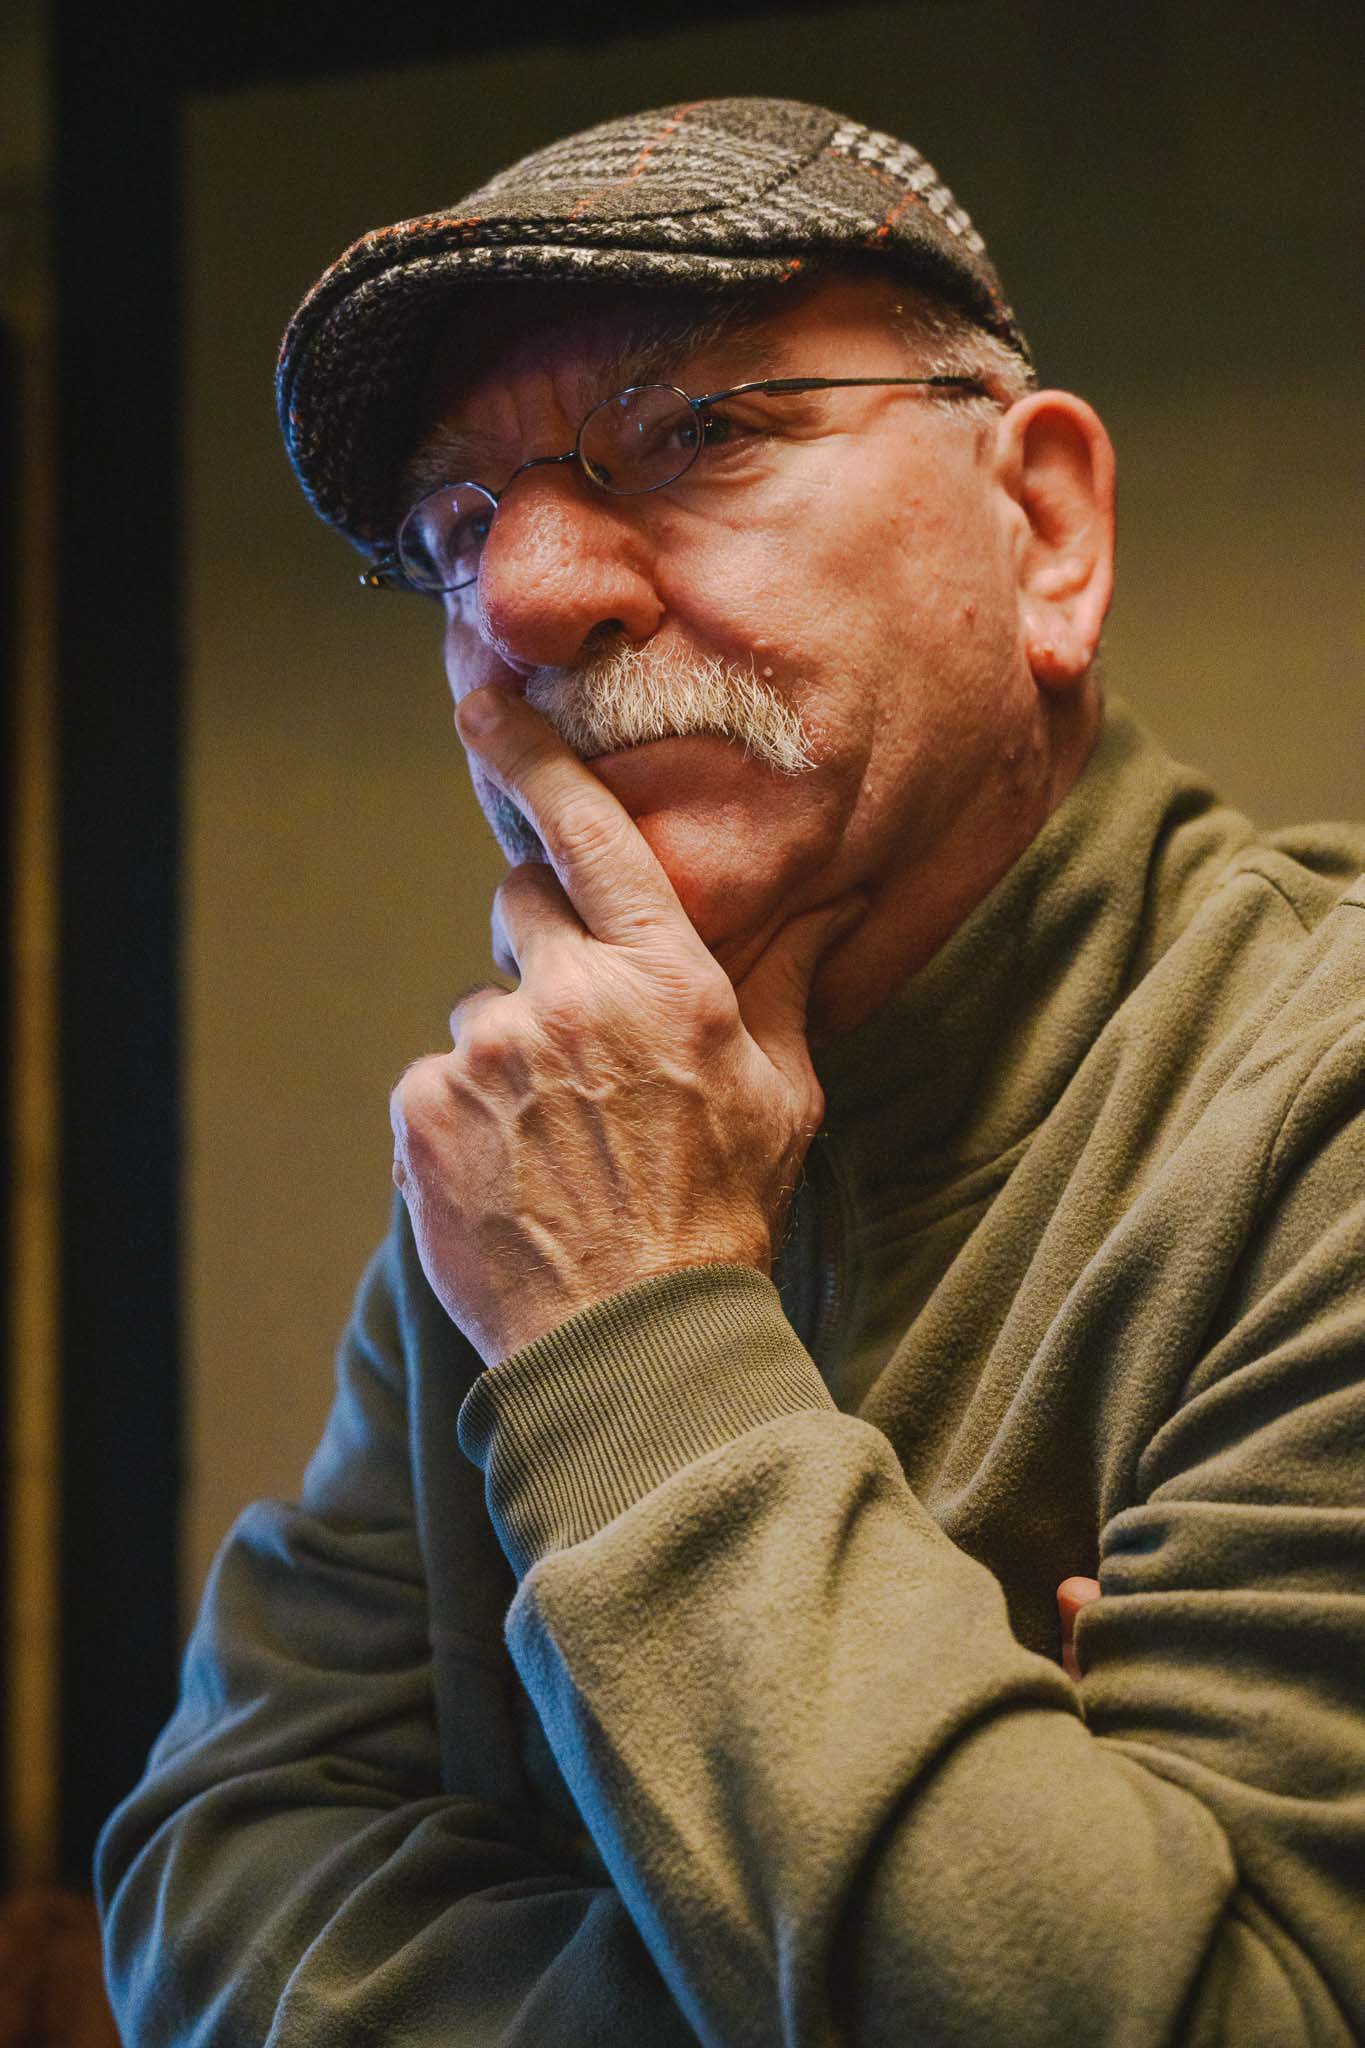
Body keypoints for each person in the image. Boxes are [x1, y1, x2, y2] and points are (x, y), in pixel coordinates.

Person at [97, 97, 1364, 2045]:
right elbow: (209, 1885)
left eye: (701, 429)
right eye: (453, 528)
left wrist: (638, 1328)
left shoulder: (1316, 1103)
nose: (525, 597)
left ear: (1042, 530)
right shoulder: (536, 1140)